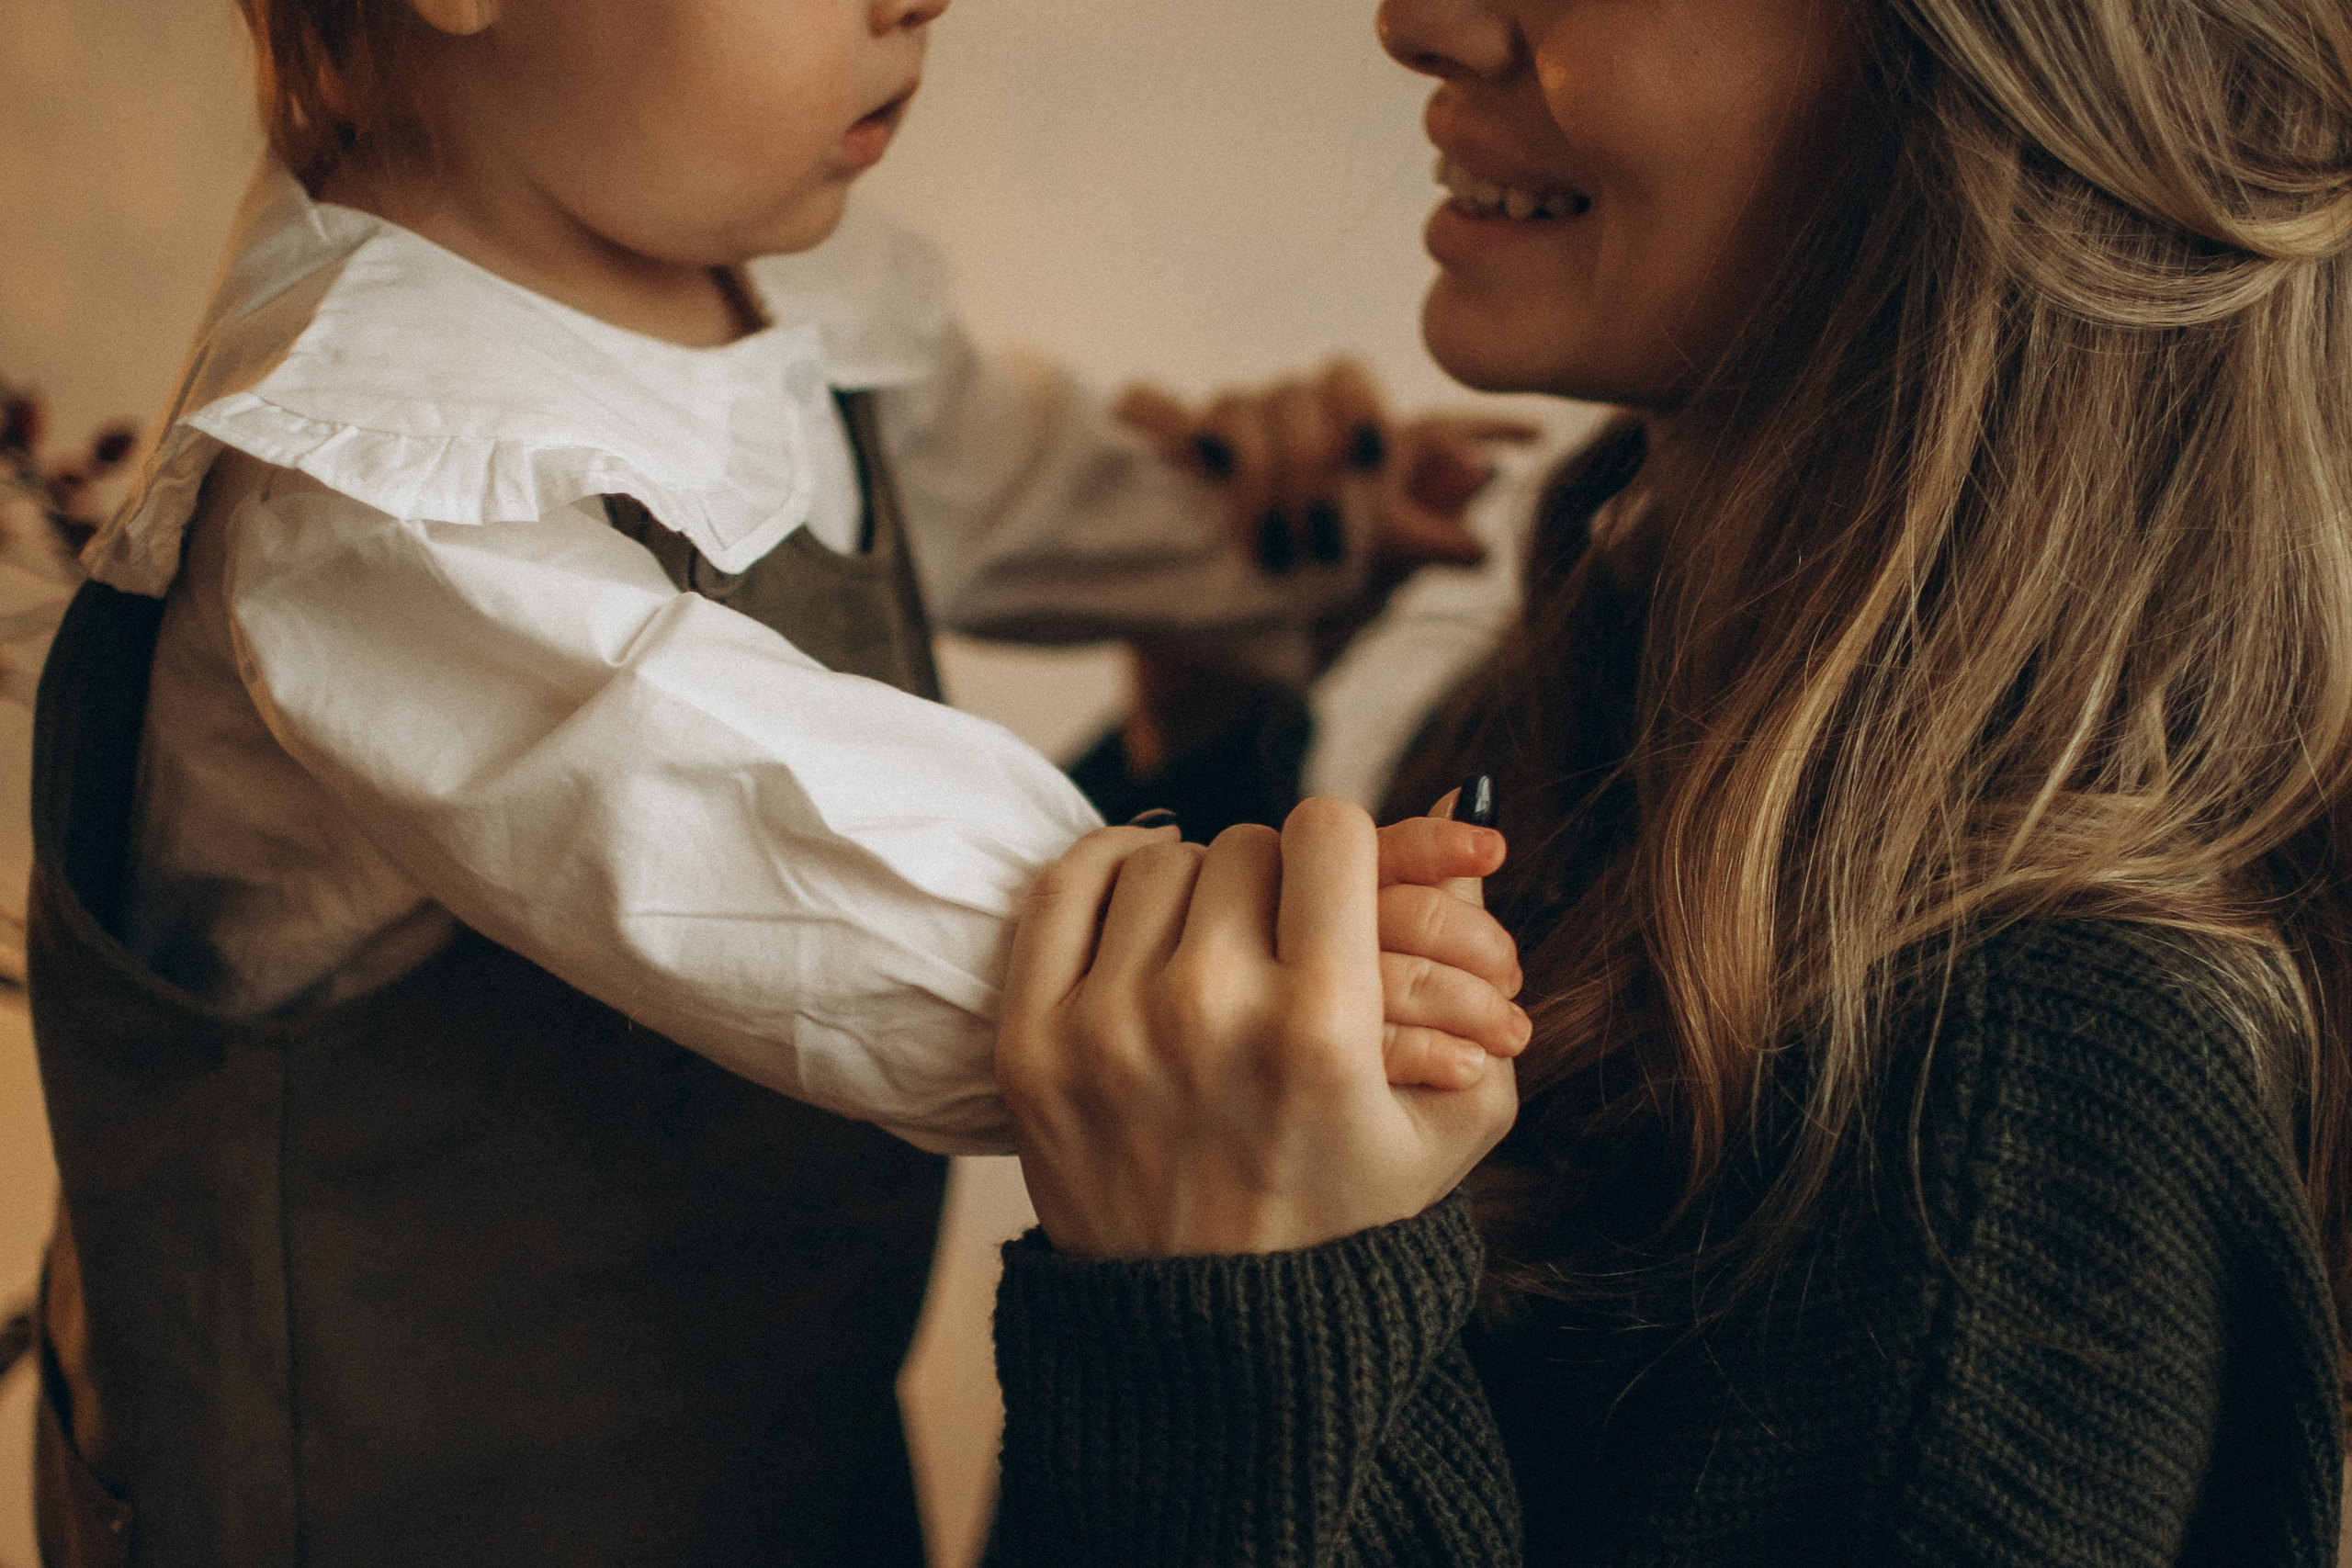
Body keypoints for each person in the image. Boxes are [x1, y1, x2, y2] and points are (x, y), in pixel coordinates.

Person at [25, 0, 1536, 1563]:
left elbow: (1008, 482)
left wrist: (1266, 529)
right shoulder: (377, 487)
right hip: (392, 1500)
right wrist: (1238, 974)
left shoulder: (760, 280)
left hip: (756, 1447)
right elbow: (784, 847)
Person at [988, 0, 2352, 1562]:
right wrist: (1217, 760)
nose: (1415, 23)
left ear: (2014, 81)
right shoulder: (1571, 730)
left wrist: (1238, 1323)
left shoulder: (2014, 1102)